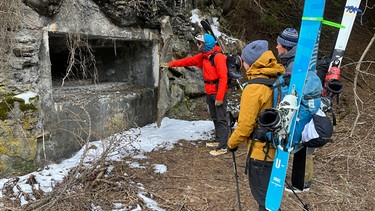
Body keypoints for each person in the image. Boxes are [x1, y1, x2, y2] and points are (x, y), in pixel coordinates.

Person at [227, 40, 285, 210]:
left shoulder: (253, 89)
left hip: (261, 153)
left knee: (265, 201)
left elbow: (245, 127)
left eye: (243, 60)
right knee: (272, 198)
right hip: (279, 148)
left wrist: (231, 143)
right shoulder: (279, 78)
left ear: (249, 63)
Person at [161, 34, 230, 156]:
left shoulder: (218, 57)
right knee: (214, 117)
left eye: (200, 43)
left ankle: (223, 146)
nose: (197, 45)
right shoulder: (204, 57)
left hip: (218, 91)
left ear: (206, 44)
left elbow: (223, 77)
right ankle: (218, 139)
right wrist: (170, 64)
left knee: (222, 119)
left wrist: (220, 97)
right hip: (209, 91)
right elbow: (187, 61)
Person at [276, 27, 314, 193]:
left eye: (278, 44)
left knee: (303, 144)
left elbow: (295, 90)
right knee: (303, 144)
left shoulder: (294, 64)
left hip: (302, 110)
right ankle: (302, 181)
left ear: (286, 46)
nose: (276, 47)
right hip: (303, 109)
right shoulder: (294, 60)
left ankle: (303, 183)